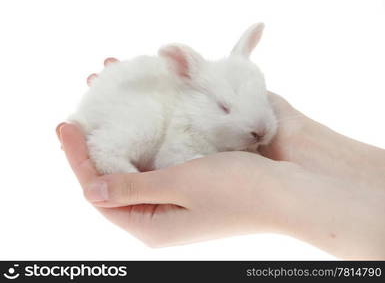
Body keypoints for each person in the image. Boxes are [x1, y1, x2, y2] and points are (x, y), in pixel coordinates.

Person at [56, 58, 385, 259]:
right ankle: (110, 155)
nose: (260, 128)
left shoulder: (226, 100)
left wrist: (271, 183)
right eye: (226, 108)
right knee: (142, 123)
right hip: (138, 107)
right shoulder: (184, 113)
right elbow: (174, 154)